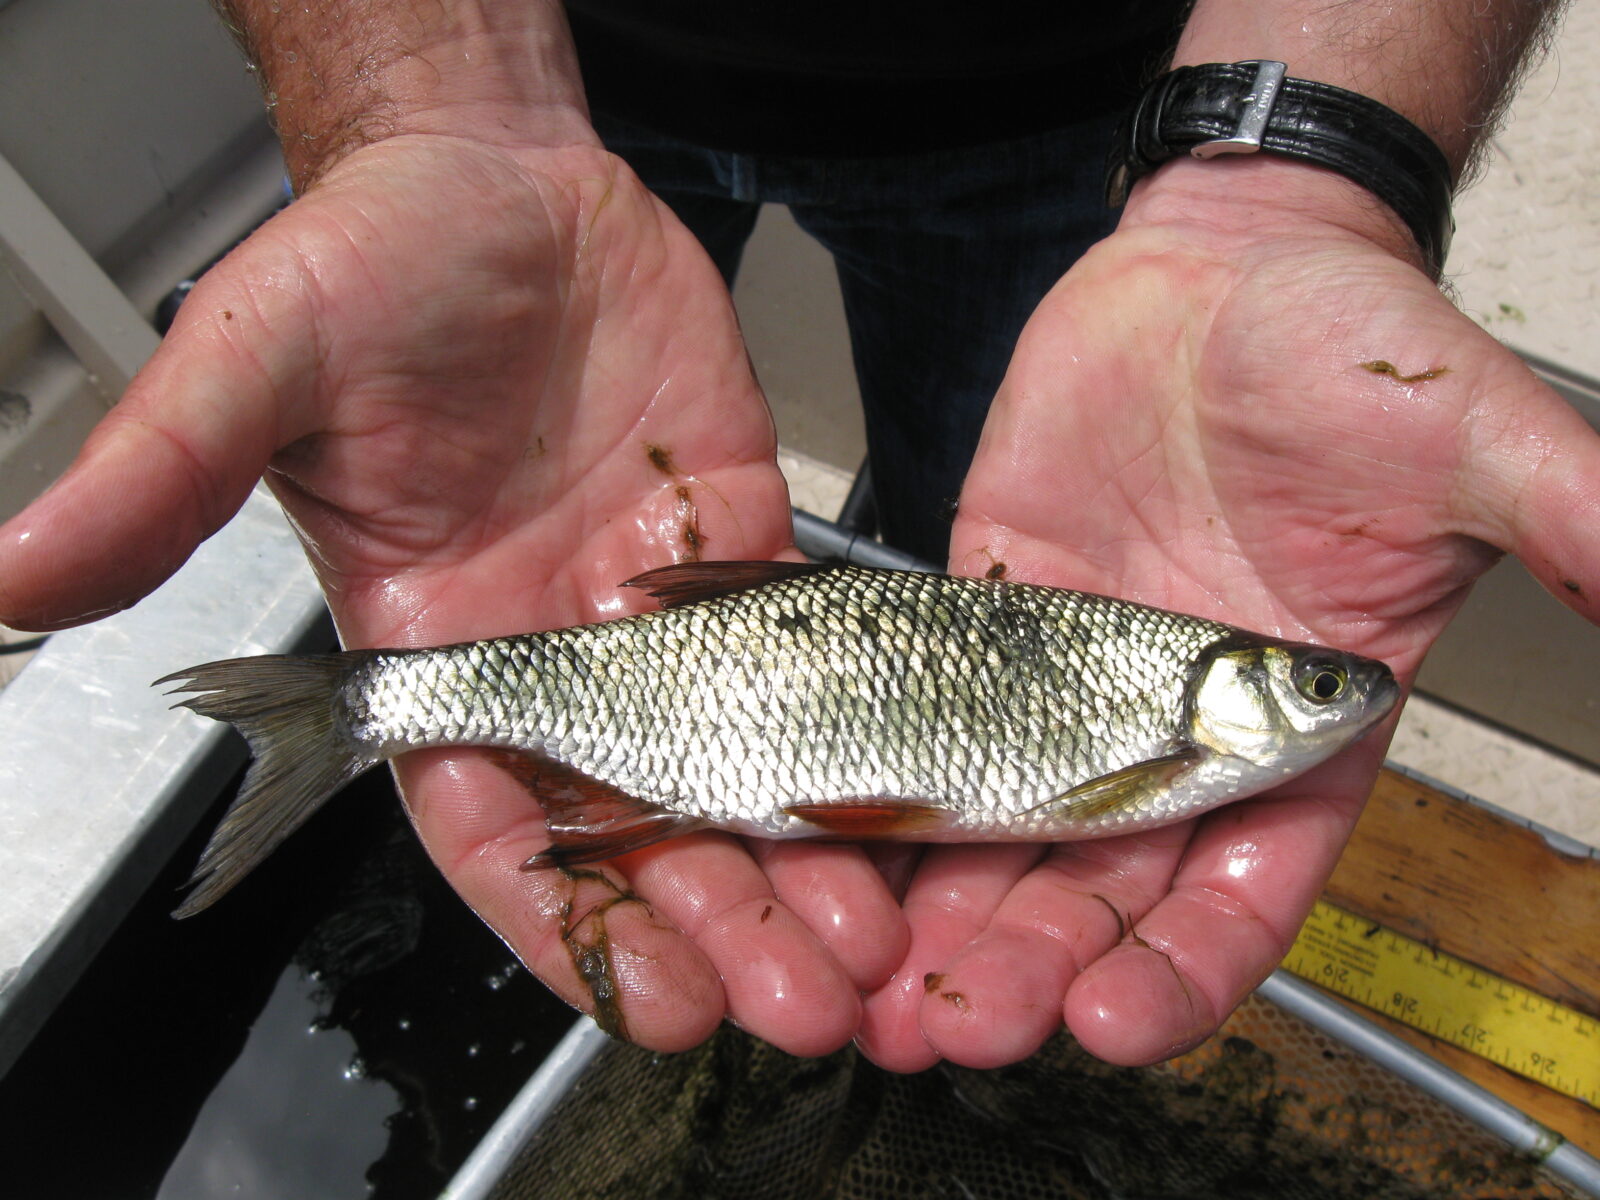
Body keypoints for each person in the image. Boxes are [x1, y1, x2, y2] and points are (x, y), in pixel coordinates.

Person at [2, 0, 1595, 1075]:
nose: (1342, 700)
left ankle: (389, 718)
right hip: (540, 69)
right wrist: (425, 98)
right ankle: (374, 717)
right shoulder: (1162, 729)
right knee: (920, 518)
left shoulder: (1164, 705)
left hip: (1091, 109)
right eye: (1311, 695)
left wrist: (1296, 171)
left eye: (1310, 691)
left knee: (961, 478)